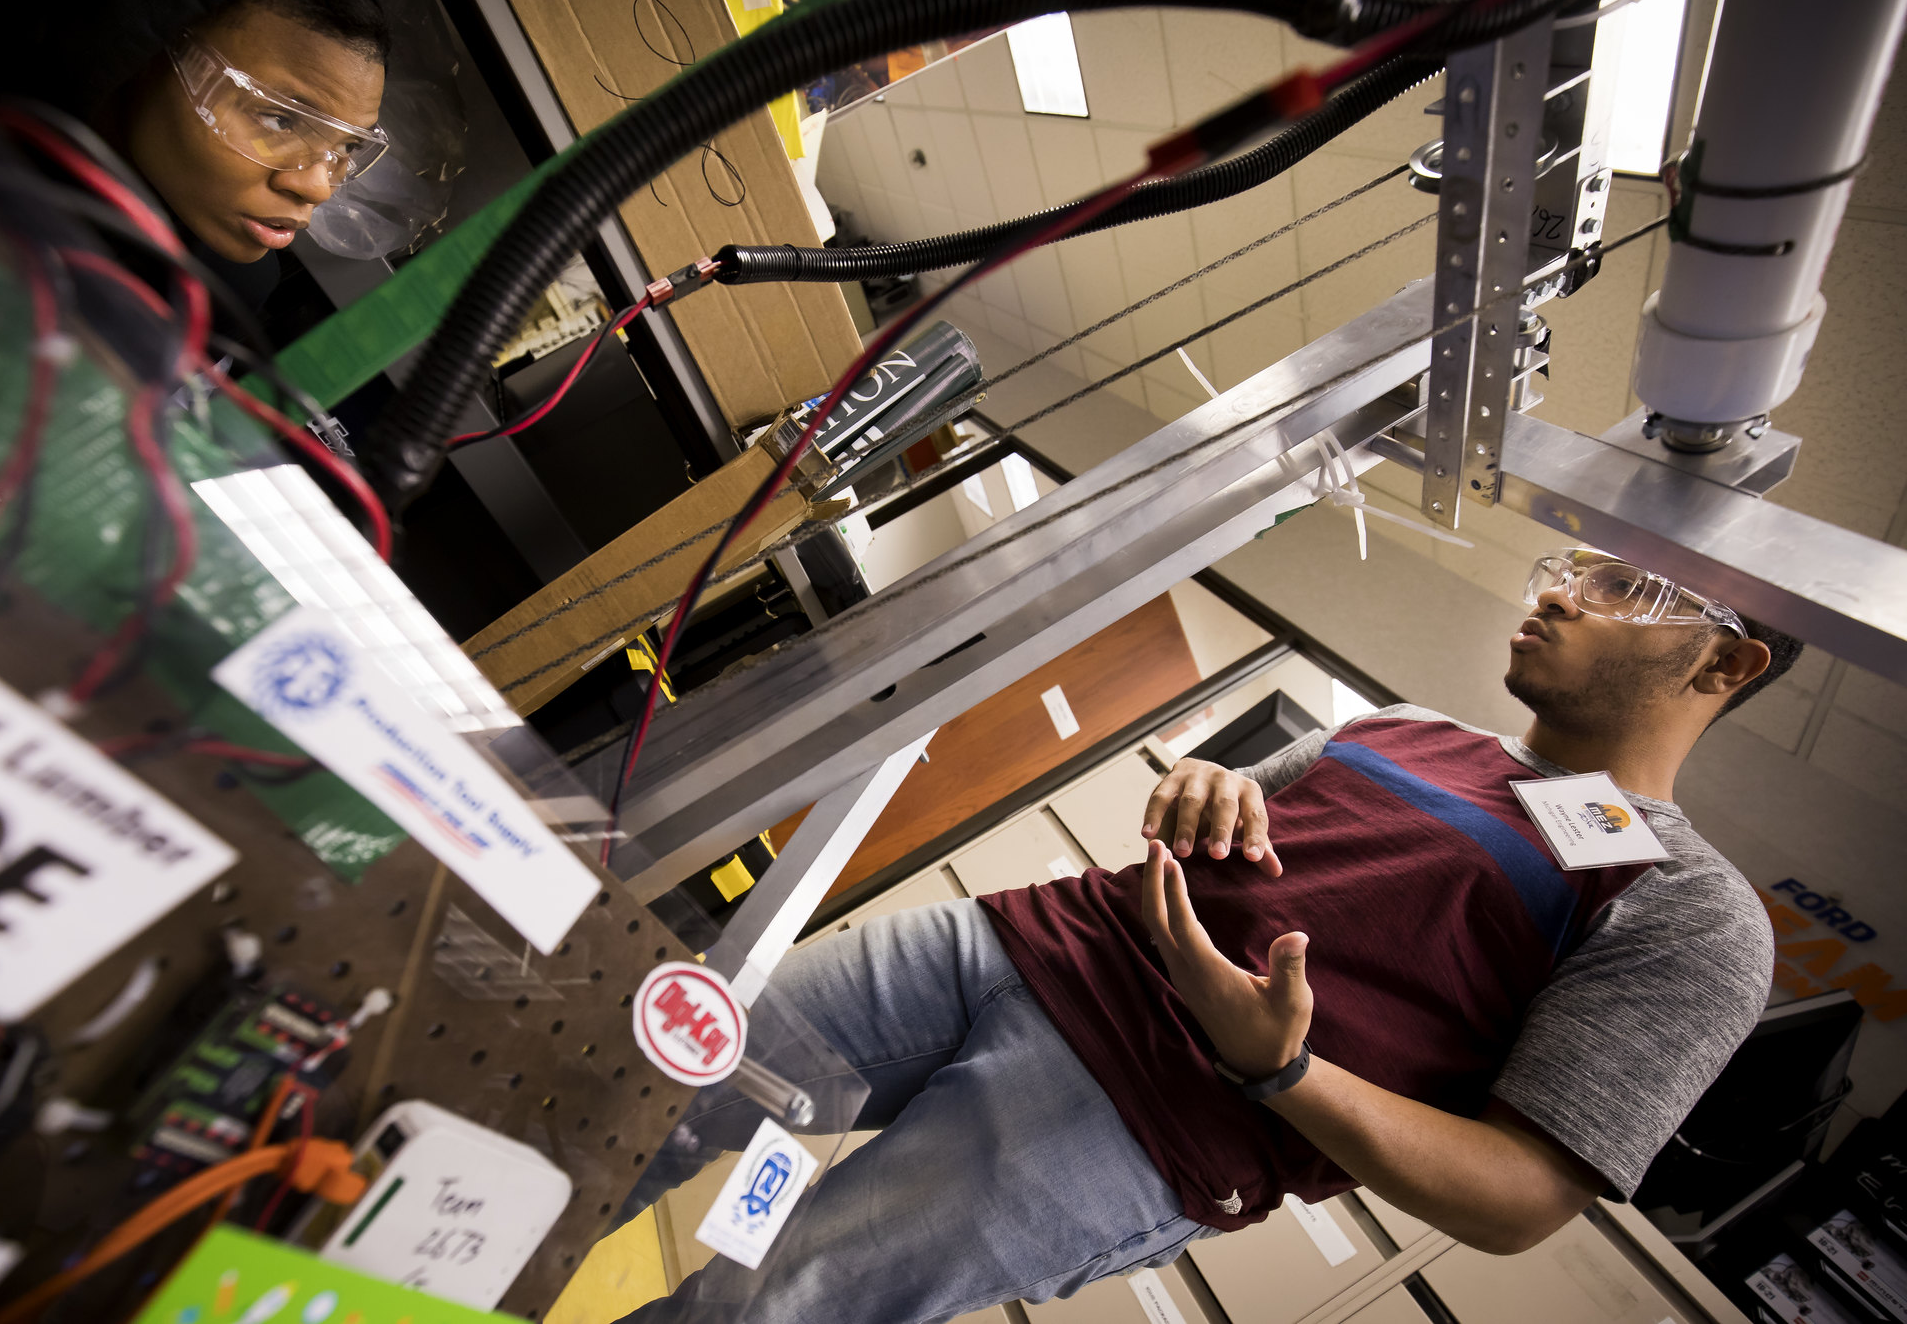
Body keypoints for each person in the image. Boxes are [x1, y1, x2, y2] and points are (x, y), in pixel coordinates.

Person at [618, 547, 1799, 1324]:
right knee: (635, 1086)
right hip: (1019, 942)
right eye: (1563, 571)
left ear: (1723, 661)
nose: (1554, 595)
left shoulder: (1689, 907)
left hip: (1141, 1118)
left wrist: (1277, 1068)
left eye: (1620, 590)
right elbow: (1208, 828)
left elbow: (1513, 1198)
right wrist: (1199, 788)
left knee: (754, 1307)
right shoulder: (1401, 726)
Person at [0, 0, 390, 313]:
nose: (318, 188)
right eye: (280, 120)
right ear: (145, 49)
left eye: (347, 148)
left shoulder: (215, 296)